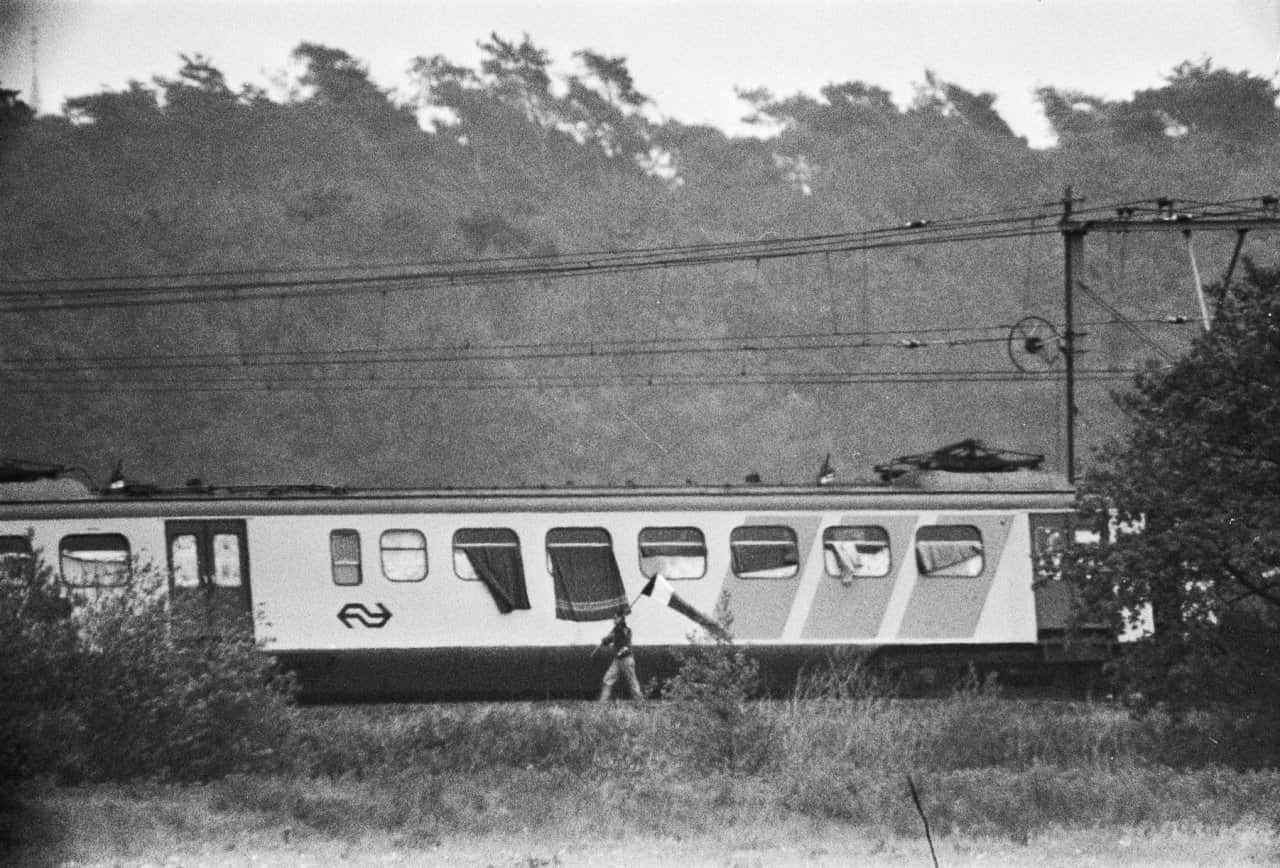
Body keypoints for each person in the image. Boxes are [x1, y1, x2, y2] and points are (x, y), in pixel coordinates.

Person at [599, 610, 644, 700]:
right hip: (618, 660)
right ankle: (602, 702)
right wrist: (604, 640)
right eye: (613, 618)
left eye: (615, 618)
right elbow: (608, 641)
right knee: (607, 679)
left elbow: (625, 644)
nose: (614, 620)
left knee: (632, 682)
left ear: (621, 618)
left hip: (626, 659)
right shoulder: (615, 631)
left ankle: (640, 702)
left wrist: (617, 631)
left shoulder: (626, 630)